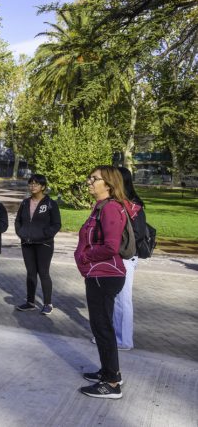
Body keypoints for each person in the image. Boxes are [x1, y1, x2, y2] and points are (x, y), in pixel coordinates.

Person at [75, 165, 128, 399]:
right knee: (100, 327)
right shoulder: (100, 207)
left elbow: (111, 247)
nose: (89, 181)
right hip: (98, 275)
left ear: (107, 184)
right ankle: (108, 371)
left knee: (103, 328)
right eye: (90, 177)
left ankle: (113, 383)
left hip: (106, 275)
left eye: (93, 178)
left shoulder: (110, 208)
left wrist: (85, 256)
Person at [14, 174, 61, 315]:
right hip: (27, 243)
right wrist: (21, 233)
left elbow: (56, 224)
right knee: (31, 273)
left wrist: (44, 235)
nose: (33, 186)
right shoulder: (25, 203)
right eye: (31, 183)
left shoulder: (51, 204)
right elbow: (18, 221)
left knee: (44, 273)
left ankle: (48, 304)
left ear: (43, 187)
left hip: (44, 244)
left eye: (36, 184)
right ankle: (30, 302)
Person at [112, 167, 145, 350]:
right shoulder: (116, 202)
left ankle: (124, 340)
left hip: (125, 257)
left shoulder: (134, 204)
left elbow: (138, 234)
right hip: (115, 256)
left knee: (123, 299)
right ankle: (112, 337)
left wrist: (119, 247)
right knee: (114, 299)